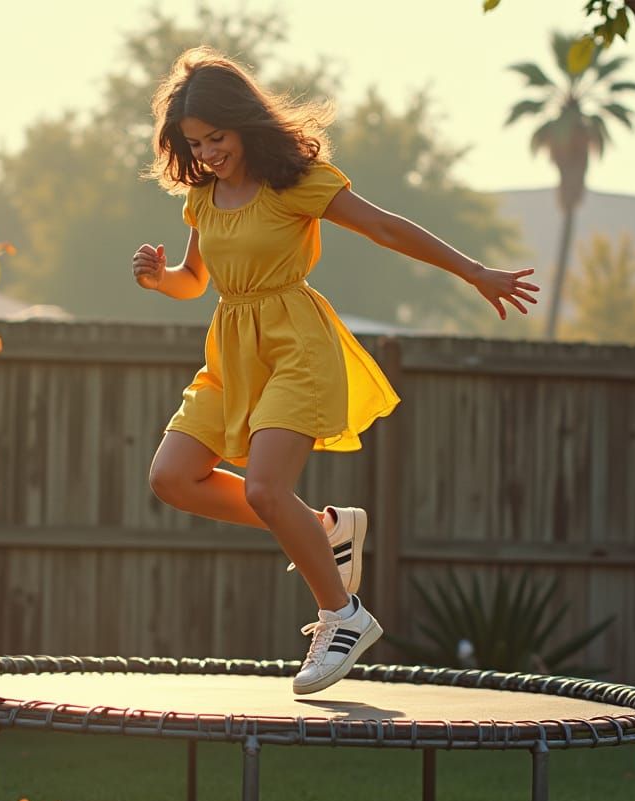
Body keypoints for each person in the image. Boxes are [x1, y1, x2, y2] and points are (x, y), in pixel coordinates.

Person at [132, 47, 538, 696]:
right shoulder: (203, 199)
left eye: (217, 138)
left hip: (296, 345)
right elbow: (195, 281)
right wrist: (160, 281)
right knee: (172, 479)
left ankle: (342, 616)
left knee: (266, 490)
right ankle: (325, 529)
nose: (207, 153)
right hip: (231, 354)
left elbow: (384, 229)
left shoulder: (296, 181)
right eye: (195, 143)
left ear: (244, 123)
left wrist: (474, 272)